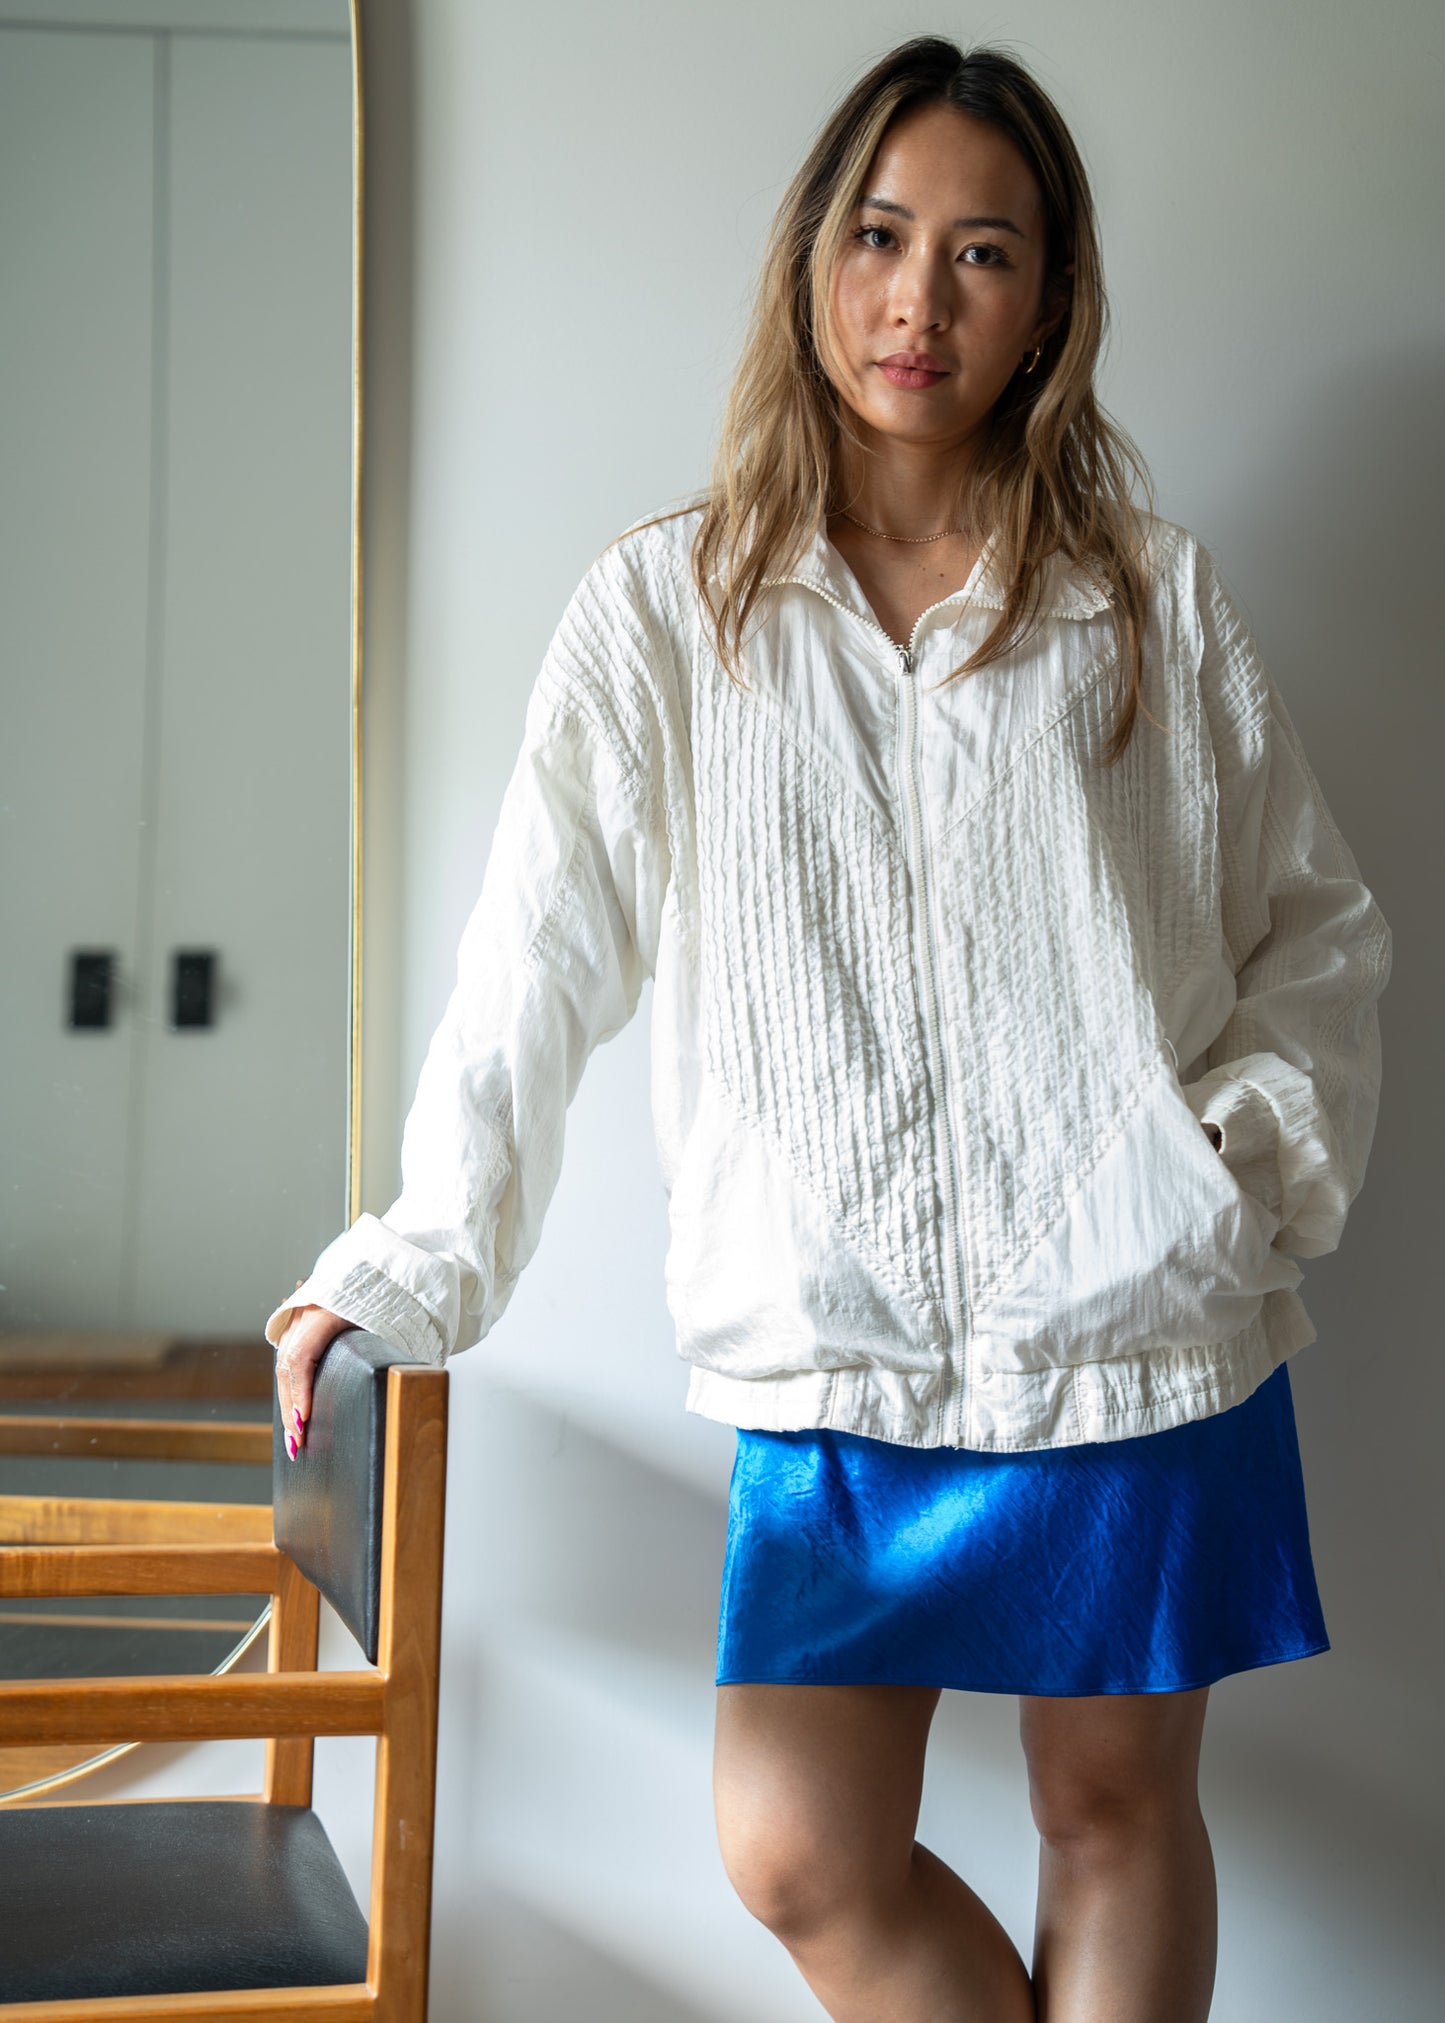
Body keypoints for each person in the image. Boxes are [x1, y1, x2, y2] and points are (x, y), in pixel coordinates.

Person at [266, 37, 1391, 2023]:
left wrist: (1228, 1182)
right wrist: (404, 1270)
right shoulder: (664, 616)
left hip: (1132, 1325)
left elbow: (1316, 931)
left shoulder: (1146, 605)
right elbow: (531, 966)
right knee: (799, 1847)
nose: (920, 300)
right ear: (811, 255)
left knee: (1113, 1812)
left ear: (1051, 300)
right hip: (834, 1339)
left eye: (985, 252)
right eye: (881, 236)